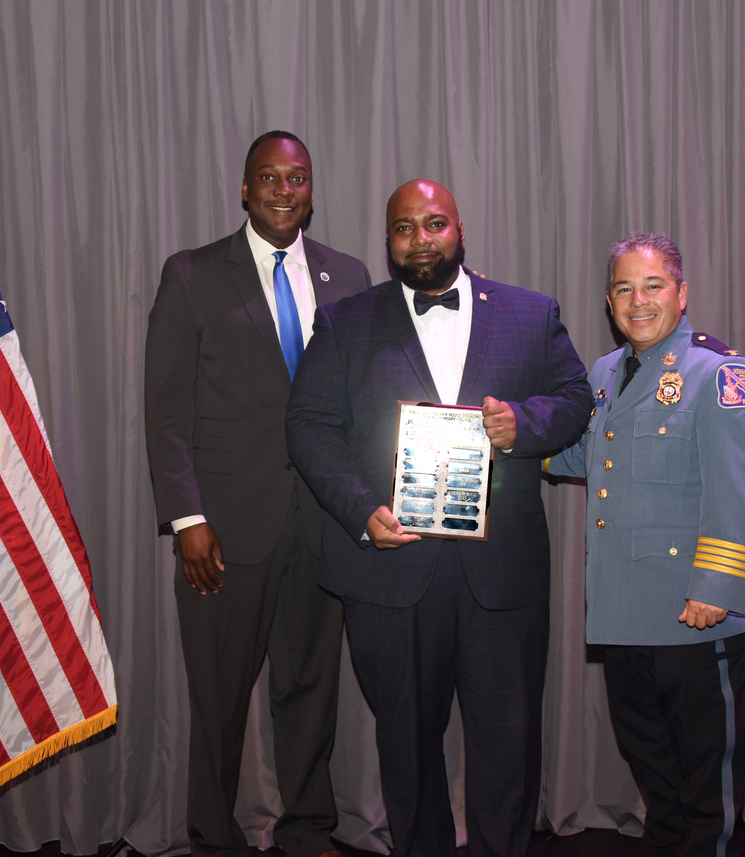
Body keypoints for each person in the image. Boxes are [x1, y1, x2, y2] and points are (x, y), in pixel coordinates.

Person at [285, 179, 591, 857]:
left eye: (433, 224)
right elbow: (307, 427)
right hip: (392, 574)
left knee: (509, 748)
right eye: (403, 228)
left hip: (502, 576)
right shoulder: (346, 321)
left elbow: (575, 396)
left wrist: (525, 423)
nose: (419, 239)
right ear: (388, 239)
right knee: (407, 748)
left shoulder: (530, 313)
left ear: (460, 228)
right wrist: (362, 511)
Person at [145, 130, 371, 857]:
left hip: (319, 524)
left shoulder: (350, 275)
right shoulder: (192, 273)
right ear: (244, 189)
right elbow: (167, 410)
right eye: (268, 178)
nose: (283, 190)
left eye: (296, 177)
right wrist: (187, 517)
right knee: (217, 700)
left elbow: (363, 401)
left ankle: (307, 829)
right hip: (224, 529)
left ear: (311, 189)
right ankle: (214, 838)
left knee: (310, 689)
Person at [545, 233, 745, 857]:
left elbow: (739, 489)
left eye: (652, 285)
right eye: (623, 287)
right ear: (609, 299)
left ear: (681, 292)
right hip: (623, 613)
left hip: (694, 613)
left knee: (706, 787)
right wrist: (512, 435)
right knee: (656, 780)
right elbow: (583, 456)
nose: (637, 301)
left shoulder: (721, 374)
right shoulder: (605, 373)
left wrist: (718, 589)